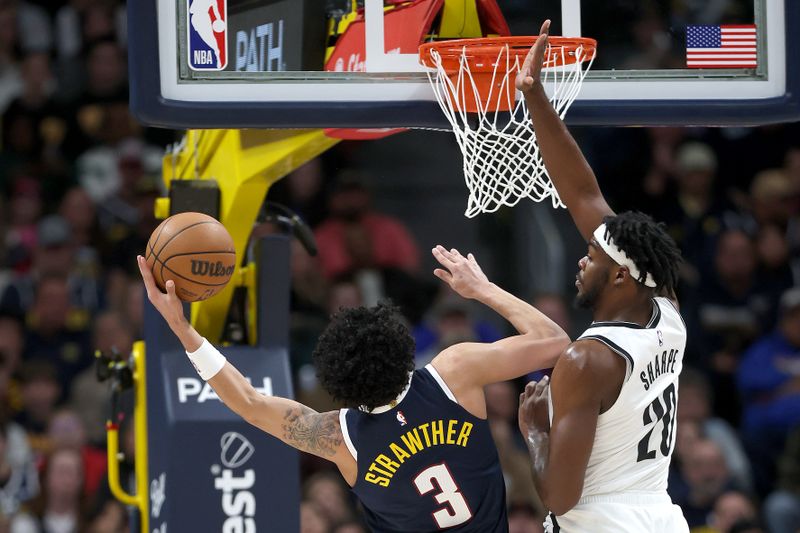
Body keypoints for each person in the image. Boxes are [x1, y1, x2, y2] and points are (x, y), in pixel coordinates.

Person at [137, 244, 569, 533]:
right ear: (402, 346)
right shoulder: (454, 373)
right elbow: (554, 342)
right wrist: (483, 289)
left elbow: (249, 403)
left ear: (339, 379)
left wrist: (182, 328)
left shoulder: (341, 439)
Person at [515, 20, 689, 532]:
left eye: (591, 256)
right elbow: (584, 197)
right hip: (659, 515)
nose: (581, 259)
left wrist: (535, 431)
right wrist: (535, 97)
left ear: (620, 279)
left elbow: (561, 498)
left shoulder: (586, 359)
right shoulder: (668, 315)